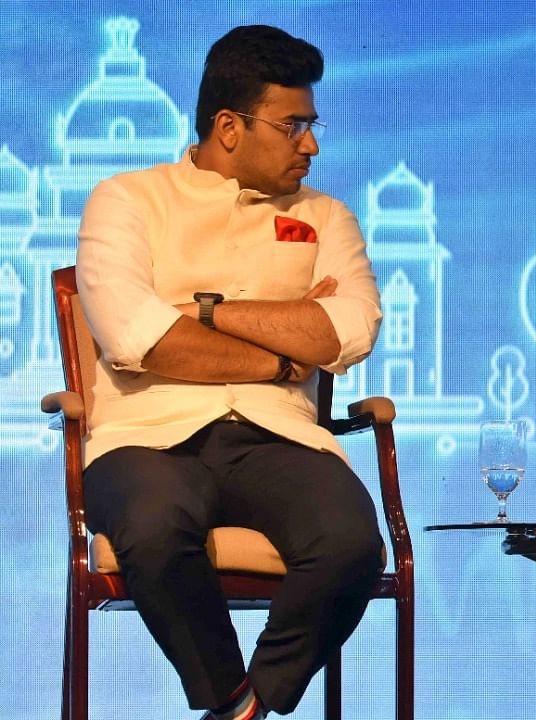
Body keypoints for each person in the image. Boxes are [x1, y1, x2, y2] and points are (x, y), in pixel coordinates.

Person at [76, 25, 384, 720]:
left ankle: (250, 705)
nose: (312, 143)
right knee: (154, 528)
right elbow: (135, 335)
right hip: (148, 437)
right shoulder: (127, 200)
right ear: (229, 127)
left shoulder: (325, 215)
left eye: (314, 123)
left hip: (279, 435)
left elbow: (352, 329)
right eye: (294, 124)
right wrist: (283, 350)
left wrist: (202, 312)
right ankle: (231, 699)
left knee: (352, 544)